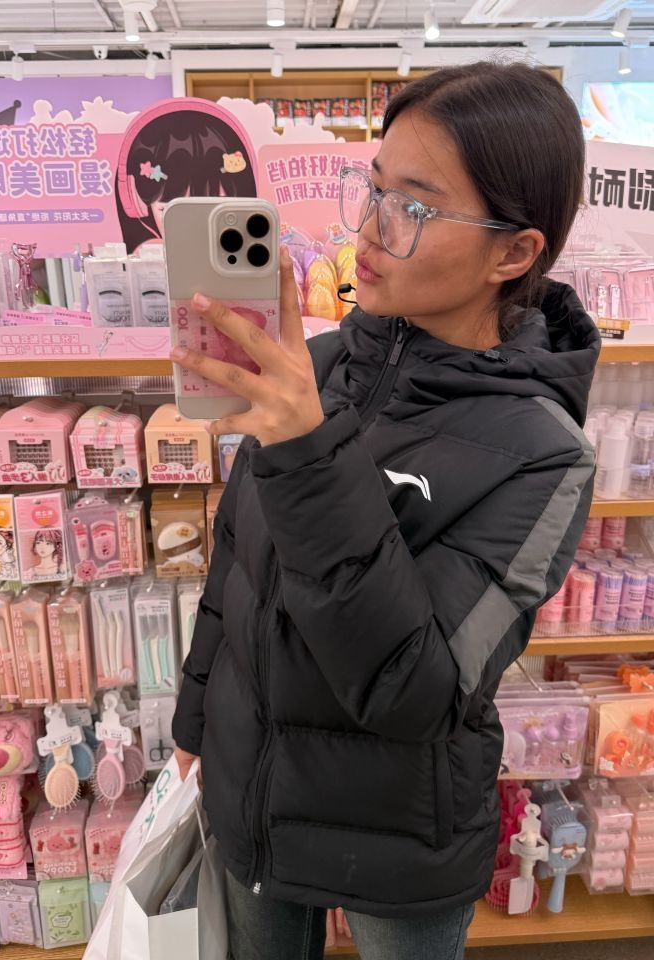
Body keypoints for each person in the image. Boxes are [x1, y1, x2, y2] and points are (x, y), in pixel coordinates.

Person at [171, 61, 600, 960]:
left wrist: (306, 451)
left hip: (402, 838)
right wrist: (197, 719)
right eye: (372, 189)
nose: (368, 230)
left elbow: (418, 690)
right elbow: (236, 562)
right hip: (254, 794)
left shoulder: (544, 454)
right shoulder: (318, 367)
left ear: (513, 253)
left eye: (414, 207)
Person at [115, 99, 257, 254]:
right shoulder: (149, 259)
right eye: (171, 211)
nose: (195, 224)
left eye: (214, 208)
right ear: (137, 205)